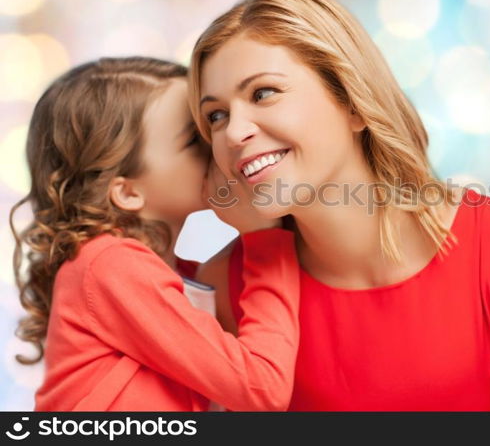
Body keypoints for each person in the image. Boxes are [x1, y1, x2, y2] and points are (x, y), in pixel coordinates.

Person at [189, 0, 490, 411]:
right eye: (216, 115)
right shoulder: (227, 285)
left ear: (353, 102)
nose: (233, 133)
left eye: (263, 93)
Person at [10, 57, 300, 411]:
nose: (221, 142)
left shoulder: (172, 273)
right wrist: (264, 239)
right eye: (195, 139)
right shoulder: (110, 264)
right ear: (128, 192)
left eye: (212, 122)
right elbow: (261, 389)